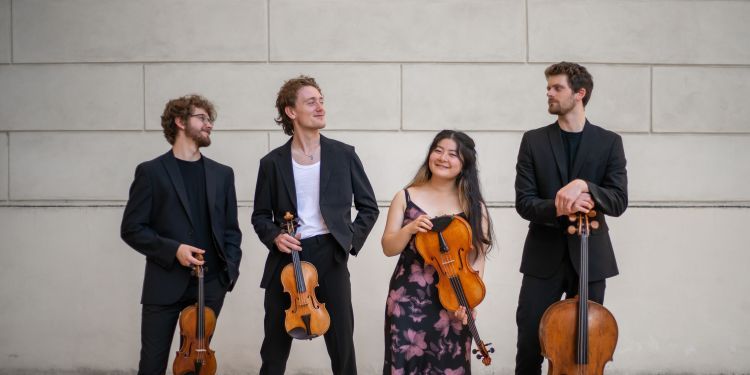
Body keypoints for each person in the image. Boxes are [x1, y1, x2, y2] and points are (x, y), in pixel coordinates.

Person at [251, 75, 379, 375]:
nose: (320, 107)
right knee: (274, 350)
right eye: (311, 102)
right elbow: (259, 215)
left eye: (321, 100)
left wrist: (348, 241)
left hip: (330, 254)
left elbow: (369, 207)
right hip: (287, 260)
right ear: (291, 112)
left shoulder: (344, 154)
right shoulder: (272, 163)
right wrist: (275, 237)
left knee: (342, 347)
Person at [513, 61, 628, 374]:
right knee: (529, 344)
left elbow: (618, 201)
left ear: (580, 93)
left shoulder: (609, 142)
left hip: (591, 257)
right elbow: (524, 203)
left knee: (586, 349)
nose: (549, 93)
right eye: (548, 87)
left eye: (556, 87)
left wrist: (585, 185)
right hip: (542, 257)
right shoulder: (533, 140)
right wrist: (559, 207)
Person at [121, 94, 242, 375]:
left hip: (210, 285)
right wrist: (173, 249)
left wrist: (228, 274)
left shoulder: (223, 174)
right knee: (151, 366)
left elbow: (231, 231)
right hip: (163, 283)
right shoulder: (151, 172)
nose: (209, 124)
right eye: (202, 118)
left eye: (210, 119)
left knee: (195, 367)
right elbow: (131, 229)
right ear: (179, 121)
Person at [381, 129, 493, 374]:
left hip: (453, 300)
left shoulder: (474, 206)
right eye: (438, 150)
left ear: (464, 164)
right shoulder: (405, 196)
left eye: (453, 154)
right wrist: (409, 229)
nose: (443, 158)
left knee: (448, 365)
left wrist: (469, 299)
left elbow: (477, 256)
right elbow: (388, 247)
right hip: (408, 298)